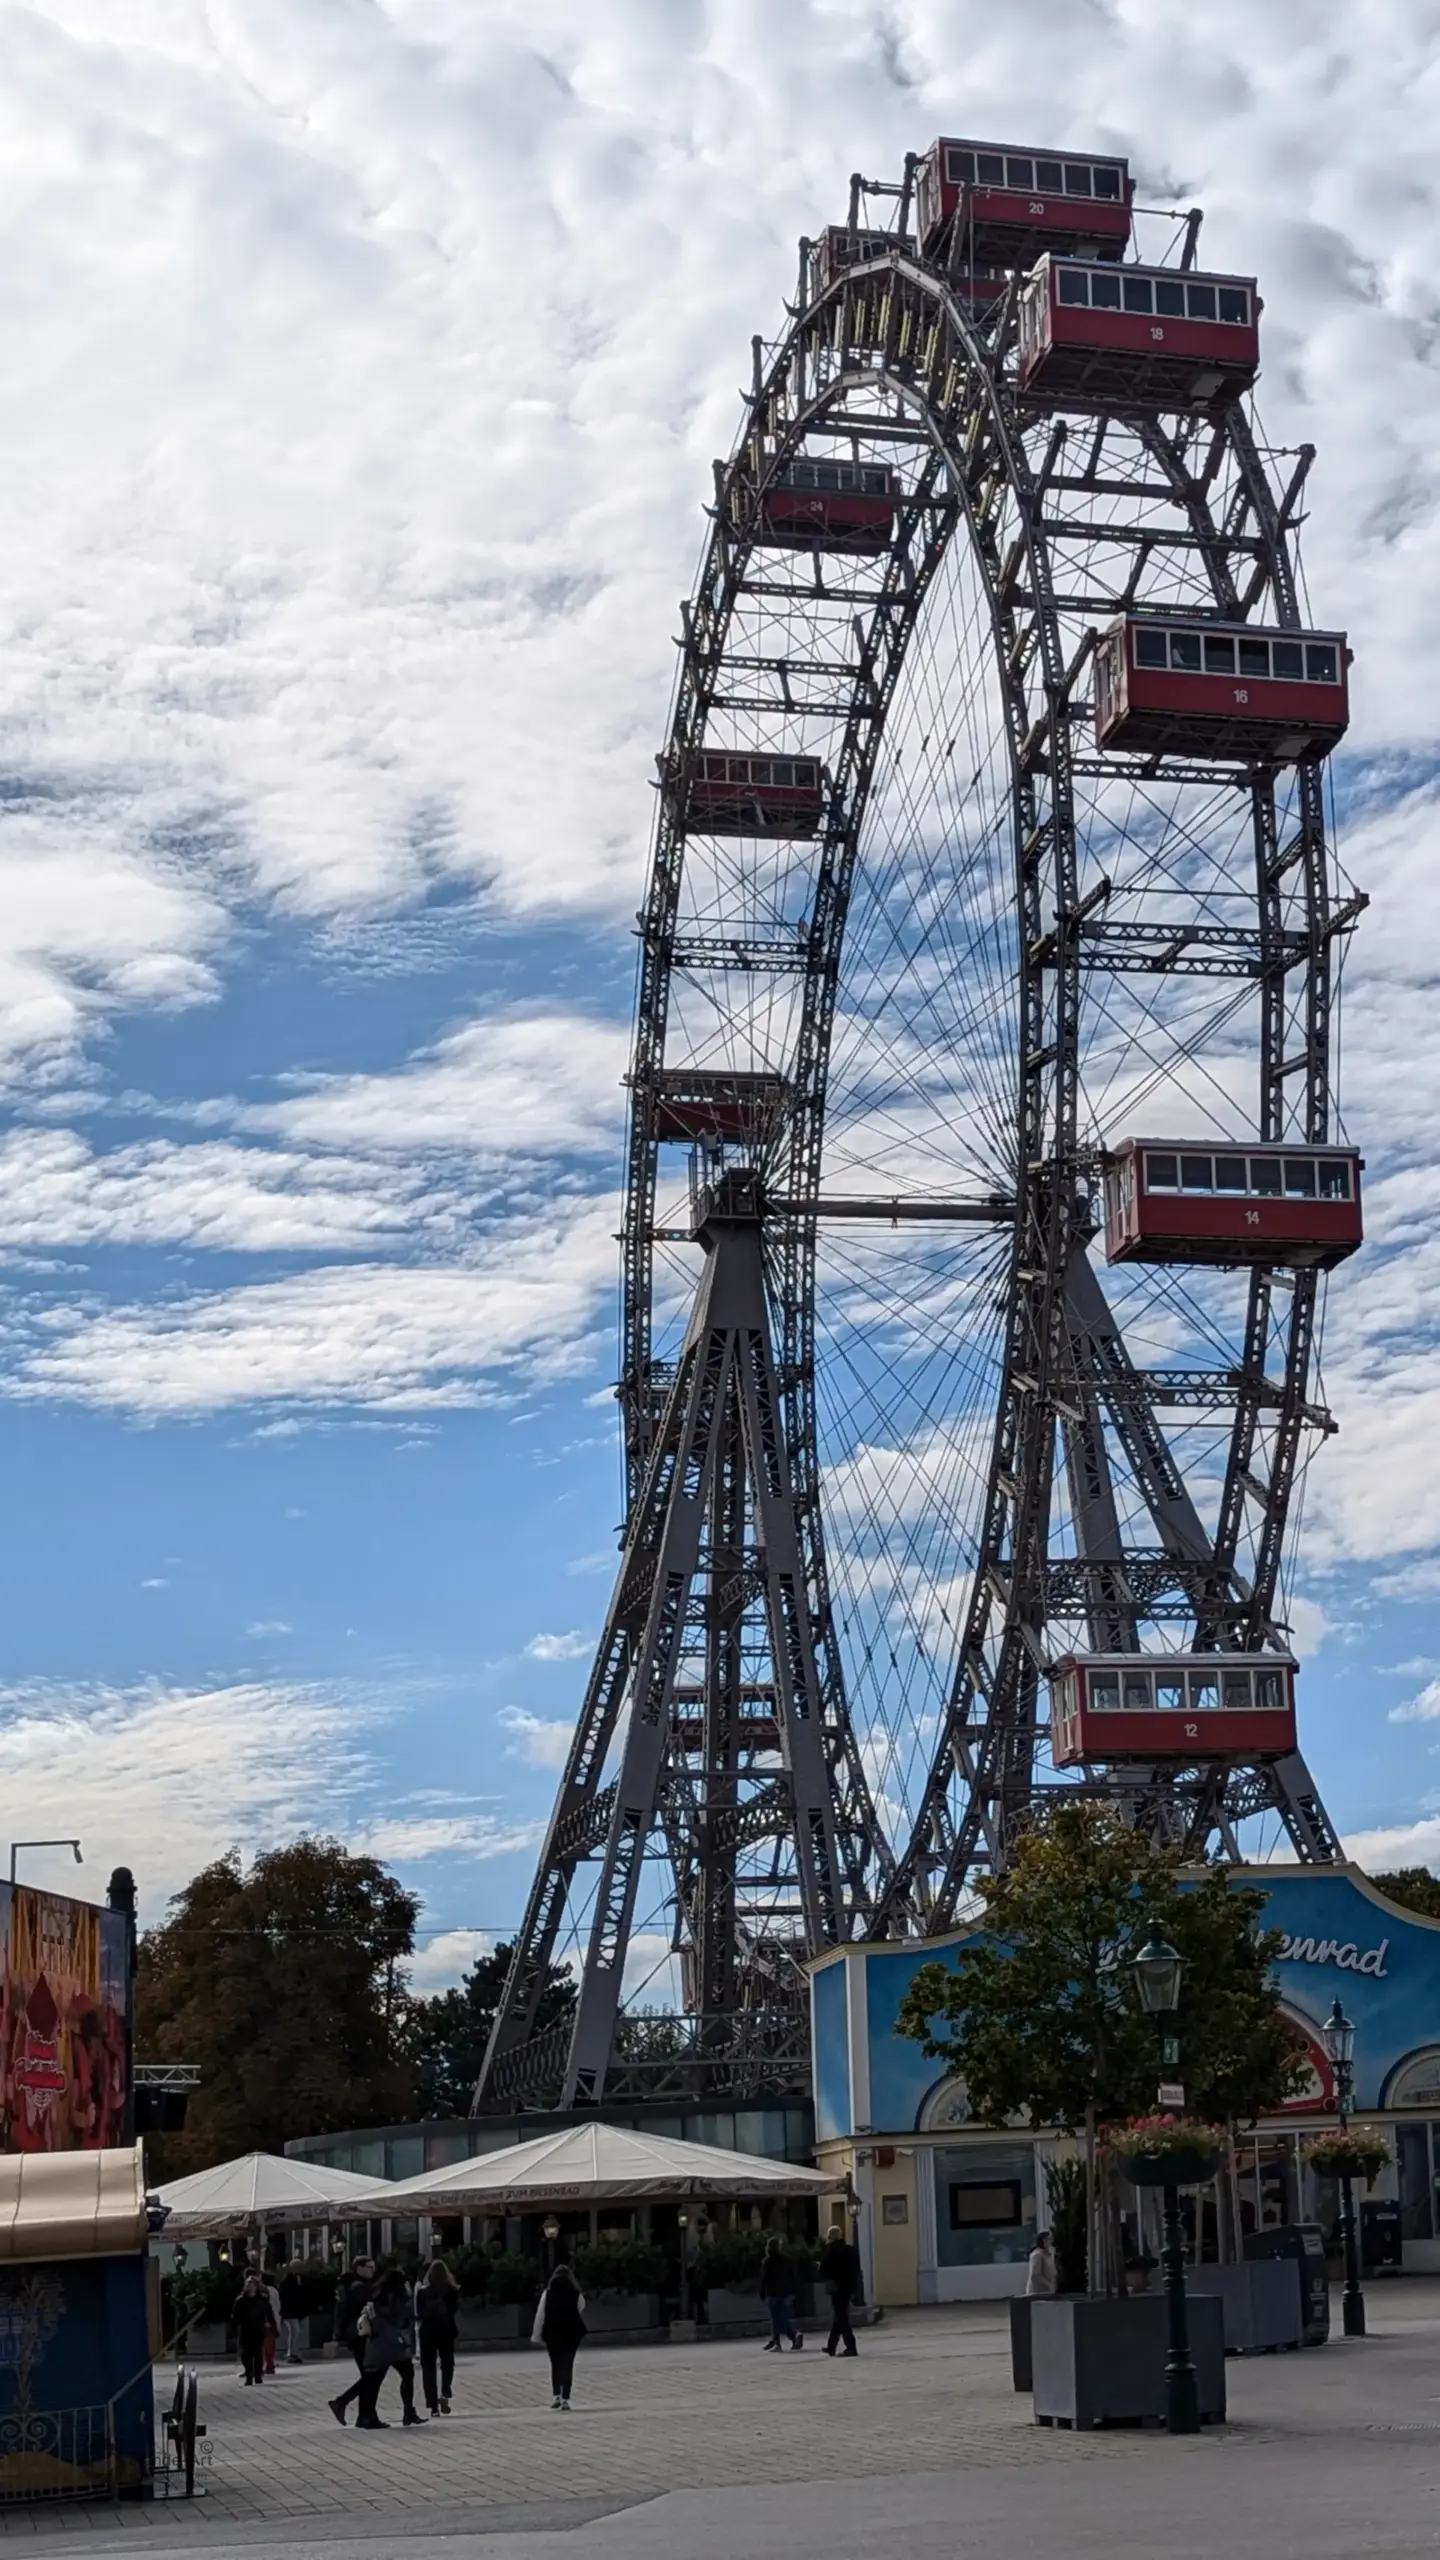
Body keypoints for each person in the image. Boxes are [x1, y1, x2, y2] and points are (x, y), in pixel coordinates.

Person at [356, 2266, 425, 2430]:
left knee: (374, 2379)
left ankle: (366, 2415)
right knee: (403, 2375)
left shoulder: (377, 2293)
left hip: (379, 2341)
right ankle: (406, 2412)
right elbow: (400, 2315)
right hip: (392, 2341)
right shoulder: (396, 2296)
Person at [328, 2256, 377, 2426]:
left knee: (369, 2375)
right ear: (359, 2268)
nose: (373, 2270)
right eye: (370, 2267)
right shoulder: (359, 2287)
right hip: (360, 2333)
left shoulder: (347, 2285)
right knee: (371, 2375)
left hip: (352, 2333)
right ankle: (343, 2403)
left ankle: (364, 2415)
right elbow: (364, 2311)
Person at [533, 2258, 587, 2410]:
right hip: (571, 2331)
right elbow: (581, 2306)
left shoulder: (548, 2293)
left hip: (553, 2332)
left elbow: (541, 2314)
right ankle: (566, 2398)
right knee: (568, 2364)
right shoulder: (575, 2292)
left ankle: (556, 2395)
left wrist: (536, 2335)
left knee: (555, 2364)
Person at [414, 2257, 459, 2416]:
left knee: (429, 2368)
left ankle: (432, 2405)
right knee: (447, 2363)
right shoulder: (452, 2291)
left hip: (428, 2331)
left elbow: (419, 2313)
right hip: (446, 2330)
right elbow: (454, 2310)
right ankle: (445, 2393)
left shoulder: (423, 2292)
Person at [818, 2221, 861, 2358]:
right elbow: (856, 2268)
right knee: (839, 2316)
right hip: (849, 2286)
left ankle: (851, 2347)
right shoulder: (851, 2250)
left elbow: (823, 2270)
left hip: (836, 2287)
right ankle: (831, 2346)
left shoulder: (830, 2251)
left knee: (841, 2317)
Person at [758, 2234, 803, 2352]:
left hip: (772, 2292)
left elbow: (764, 2279)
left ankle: (783, 2340)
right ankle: (785, 2338)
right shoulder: (787, 2260)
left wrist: (762, 2292)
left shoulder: (767, 2261)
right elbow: (793, 2276)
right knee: (781, 2316)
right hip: (786, 2291)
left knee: (776, 2318)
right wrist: (793, 2291)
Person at [233, 2271, 275, 2387]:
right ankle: (249, 2374)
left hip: (258, 2329)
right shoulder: (240, 2301)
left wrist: (272, 2326)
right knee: (246, 2354)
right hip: (245, 2330)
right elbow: (235, 2316)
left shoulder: (262, 2300)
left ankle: (257, 2375)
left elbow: (269, 2314)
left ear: (256, 2286)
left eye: (251, 2284)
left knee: (257, 2353)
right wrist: (234, 2329)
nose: (248, 2286)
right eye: (247, 2284)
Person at [1025, 2230, 1057, 2298]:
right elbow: (1035, 2274)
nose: (1051, 2241)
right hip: (1038, 2292)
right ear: (1044, 2240)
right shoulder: (1037, 2255)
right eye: (1050, 2239)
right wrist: (1048, 2284)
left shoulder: (1048, 2254)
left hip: (1048, 2291)